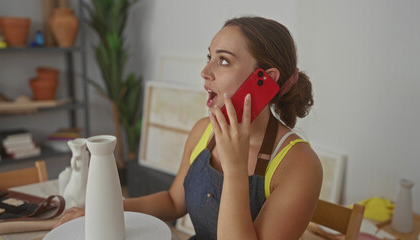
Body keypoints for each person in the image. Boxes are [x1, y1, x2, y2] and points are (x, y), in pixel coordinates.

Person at [55, 16, 323, 239]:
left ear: (266, 80)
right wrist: (107, 210)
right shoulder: (203, 132)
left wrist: (235, 168)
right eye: (209, 57)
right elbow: (173, 202)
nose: (205, 71)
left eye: (224, 60)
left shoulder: (299, 165)